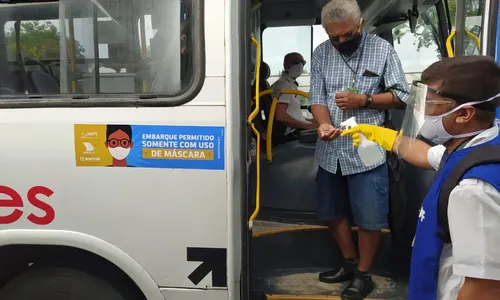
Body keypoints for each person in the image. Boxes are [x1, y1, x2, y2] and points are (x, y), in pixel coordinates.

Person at [341, 55, 500, 300]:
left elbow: (485, 288)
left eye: (431, 103)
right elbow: (425, 154)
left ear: (464, 114)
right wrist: (381, 136)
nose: (420, 110)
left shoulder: (472, 191)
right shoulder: (477, 145)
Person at [309, 0, 409, 298]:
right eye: (334, 37)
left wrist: (364, 100)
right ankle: (349, 263)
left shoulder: (382, 50)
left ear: (361, 25)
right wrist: (323, 124)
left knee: (370, 214)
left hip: (368, 147)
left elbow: (402, 96)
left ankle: (364, 275)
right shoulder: (321, 54)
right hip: (331, 149)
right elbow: (317, 99)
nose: (341, 42)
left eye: (347, 35)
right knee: (330, 211)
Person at [270, 52, 317, 133]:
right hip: (291, 132)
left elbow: (294, 115)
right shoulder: (284, 85)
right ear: (286, 66)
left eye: (303, 62)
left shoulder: (291, 85)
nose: (300, 65)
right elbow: (280, 116)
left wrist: (313, 121)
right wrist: (306, 125)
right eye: (296, 62)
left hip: (296, 128)